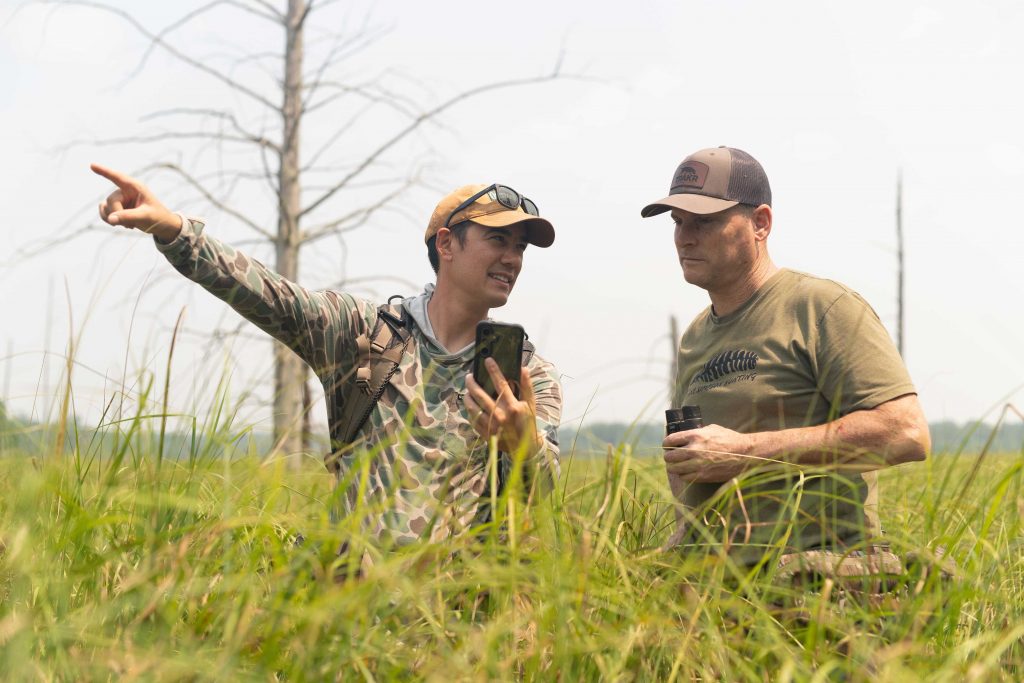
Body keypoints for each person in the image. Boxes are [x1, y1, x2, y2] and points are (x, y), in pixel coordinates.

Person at [92, 165, 562, 547]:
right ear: (446, 244)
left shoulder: (526, 375)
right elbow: (271, 295)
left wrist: (525, 444)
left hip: (455, 620)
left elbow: (541, 496)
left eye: (520, 248)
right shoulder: (368, 334)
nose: (513, 259)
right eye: (497, 240)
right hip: (348, 612)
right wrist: (173, 230)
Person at [640, 146, 930, 567]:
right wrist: (677, 550)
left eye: (705, 221)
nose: (685, 237)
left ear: (760, 223)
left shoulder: (822, 308)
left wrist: (745, 450)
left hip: (817, 577)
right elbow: (690, 466)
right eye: (678, 221)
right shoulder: (695, 338)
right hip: (718, 585)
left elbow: (906, 433)